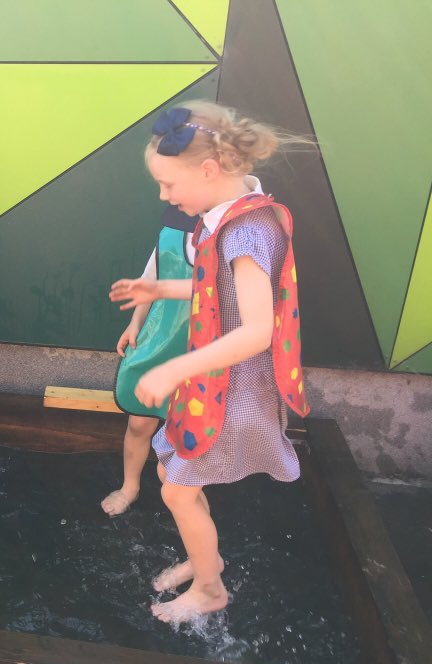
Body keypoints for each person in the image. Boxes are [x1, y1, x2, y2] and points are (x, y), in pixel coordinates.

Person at [109, 102, 310, 622]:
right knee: (173, 474)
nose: (164, 197)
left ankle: (211, 588)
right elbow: (211, 290)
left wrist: (175, 369)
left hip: (232, 388)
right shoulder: (228, 216)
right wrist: (160, 287)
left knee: (176, 488)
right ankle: (207, 559)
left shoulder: (248, 232)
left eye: (169, 185)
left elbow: (257, 331)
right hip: (212, 379)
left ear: (208, 170)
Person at [102, 205, 198, 517]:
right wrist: (135, 323)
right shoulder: (171, 232)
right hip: (161, 339)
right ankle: (131, 485)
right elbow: (150, 282)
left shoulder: (229, 237)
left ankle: (185, 498)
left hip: (201, 351)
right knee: (140, 422)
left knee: (189, 429)